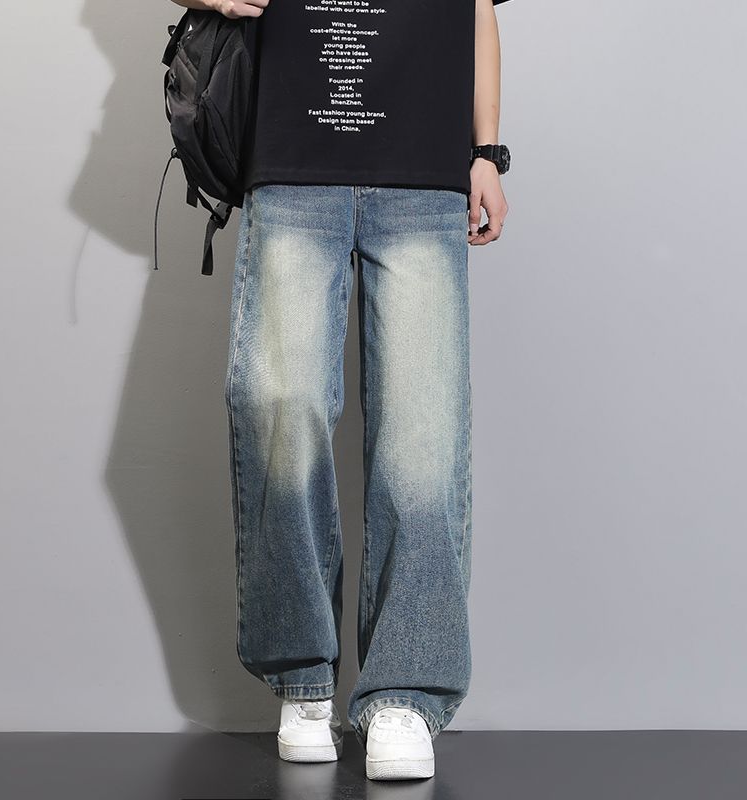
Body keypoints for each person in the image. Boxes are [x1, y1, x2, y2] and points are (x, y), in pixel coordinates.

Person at [172, 0, 512, 781]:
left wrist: (487, 152)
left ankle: (405, 692)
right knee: (278, 408)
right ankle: (303, 677)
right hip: (290, 163)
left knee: (423, 437)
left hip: (425, 172)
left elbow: (480, 8)